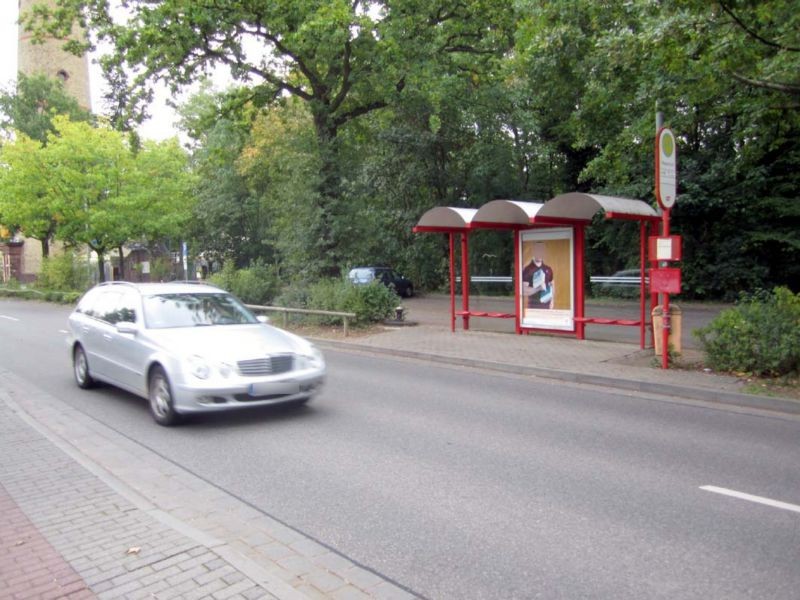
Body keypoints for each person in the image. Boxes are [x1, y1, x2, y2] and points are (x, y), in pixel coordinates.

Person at [522, 242, 554, 309]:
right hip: (533, 307)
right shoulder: (527, 269)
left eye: (541, 250)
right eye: (538, 250)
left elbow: (552, 285)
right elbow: (523, 291)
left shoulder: (548, 269)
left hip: (547, 307)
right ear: (534, 251)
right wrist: (538, 288)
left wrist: (552, 301)